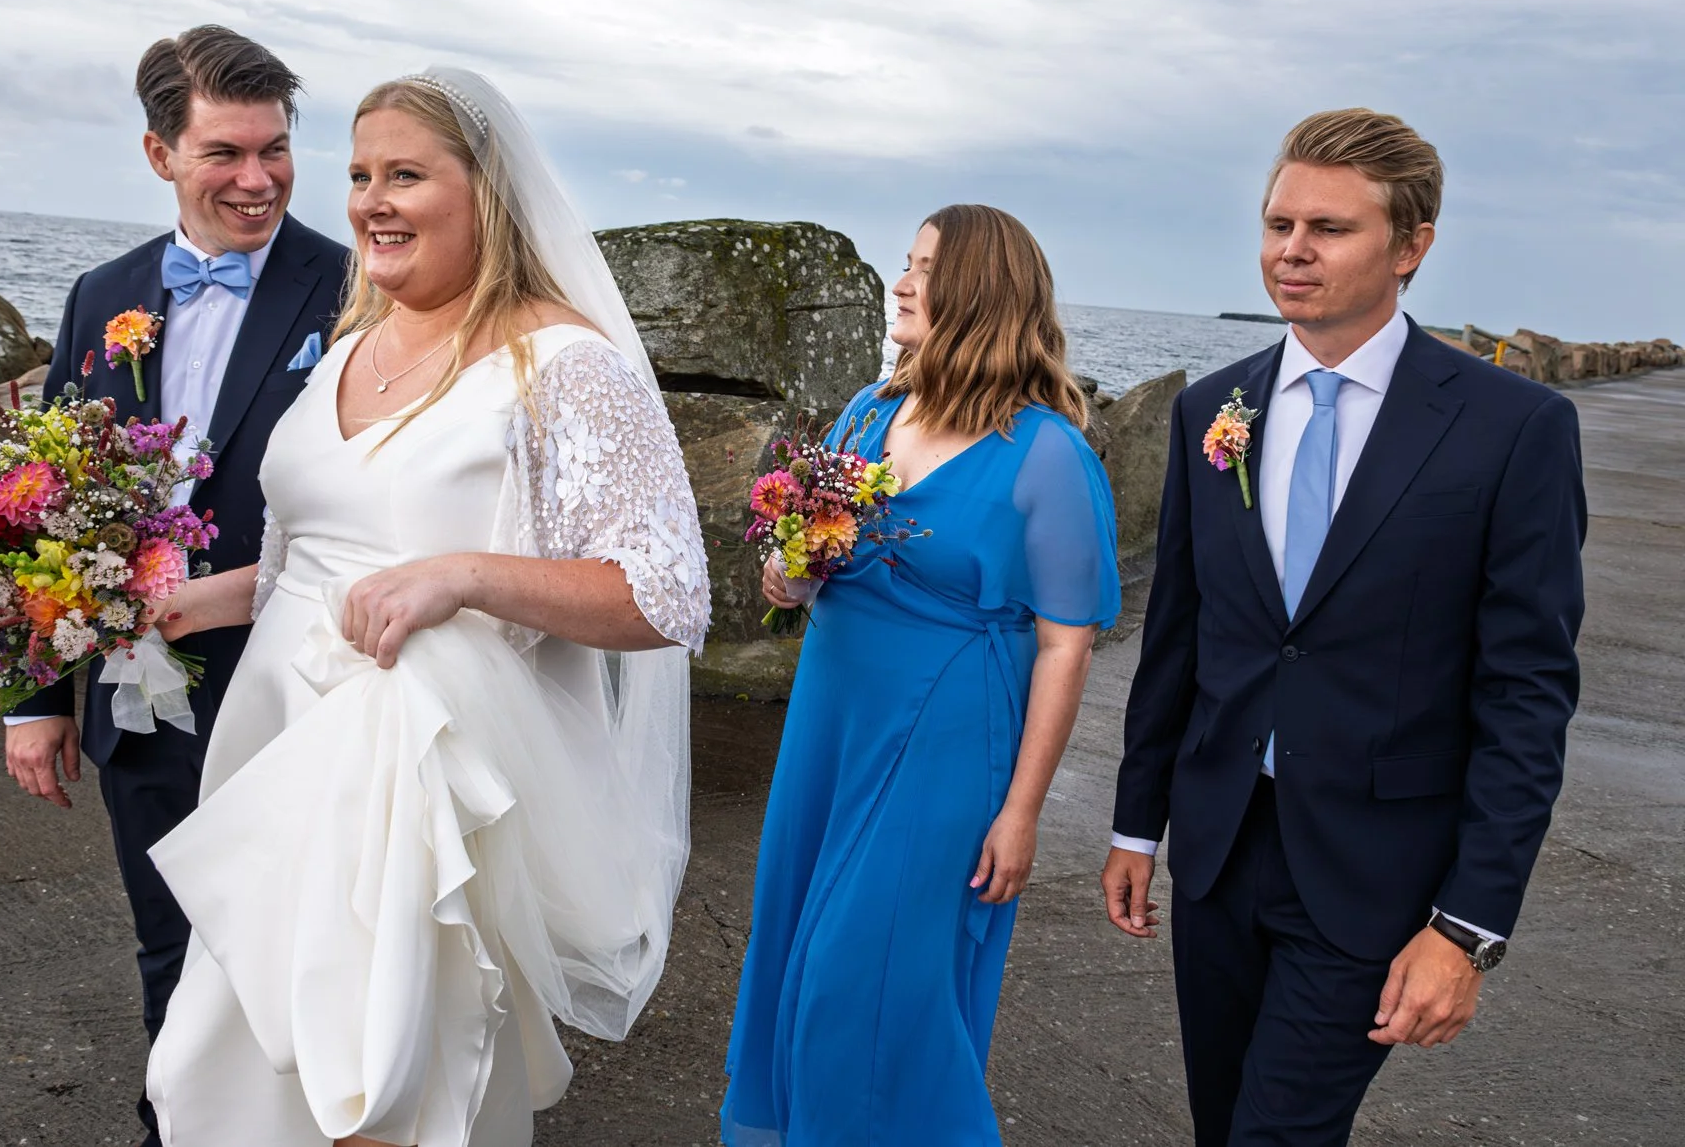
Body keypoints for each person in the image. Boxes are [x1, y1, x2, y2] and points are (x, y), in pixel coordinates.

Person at [133, 68, 708, 1147]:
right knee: (227, 1072)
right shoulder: (352, 345)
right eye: (359, 176)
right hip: (278, 754)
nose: (371, 202)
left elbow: (665, 594)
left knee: (376, 1086)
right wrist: (187, 601)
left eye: (405, 174)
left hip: (418, 777)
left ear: (488, 190)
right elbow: (311, 561)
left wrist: (466, 574)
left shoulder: (564, 364)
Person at [1101, 109, 1585, 1145]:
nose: (1293, 250)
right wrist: (1137, 824)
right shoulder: (1212, 410)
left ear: (1411, 246)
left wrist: (1467, 925)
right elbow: (1180, 633)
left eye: (1329, 227)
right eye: (1279, 223)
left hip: (1378, 870)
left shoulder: (1513, 429)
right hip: (1218, 852)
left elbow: (1527, 692)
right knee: (1222, 1121)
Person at [1, 25, 349, 1147]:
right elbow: (39, 509)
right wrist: (36, 698)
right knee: (169, 941)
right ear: (160, 155)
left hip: (301, 685)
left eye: (274, 149)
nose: (258, 179)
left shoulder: (355, 290)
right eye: (224, 154)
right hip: (136, 690)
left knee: (296, 945)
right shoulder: (100, 295)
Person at [723, 205, 1121, 1143]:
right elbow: (805, 561)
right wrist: (787, 572)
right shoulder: (869, 412)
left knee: (866, 977)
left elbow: (1066, 645)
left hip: (944, 742)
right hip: (832, 725)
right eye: (907, 263)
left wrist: (1022, 812)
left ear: (980, 292)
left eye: (927, 269)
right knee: (798, 942)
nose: (902, 283)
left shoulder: (1047, 455)